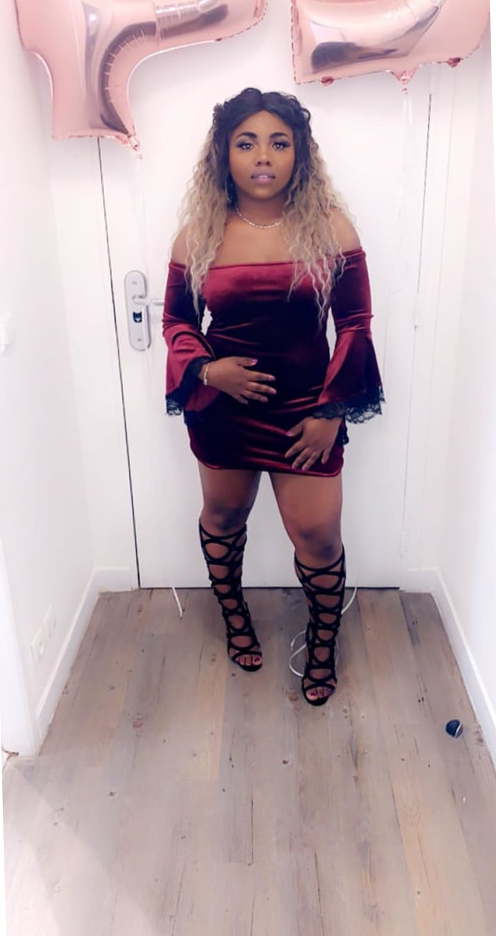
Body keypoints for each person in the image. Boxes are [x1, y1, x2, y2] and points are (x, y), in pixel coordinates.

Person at [162, 87, 385, 706]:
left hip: (307, 411)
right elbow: (177, 323)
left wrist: (331, 411)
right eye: (247, 142)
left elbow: (355, 323)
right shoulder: (197, 236)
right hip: (223, 412)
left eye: (279, 142)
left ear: (299, 154)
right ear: (224, 154)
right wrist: (208, 371)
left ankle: (322, 643)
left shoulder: (331, 229)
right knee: (224, 518)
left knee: (318, 536)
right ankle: (235, 617)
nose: (263, 155)